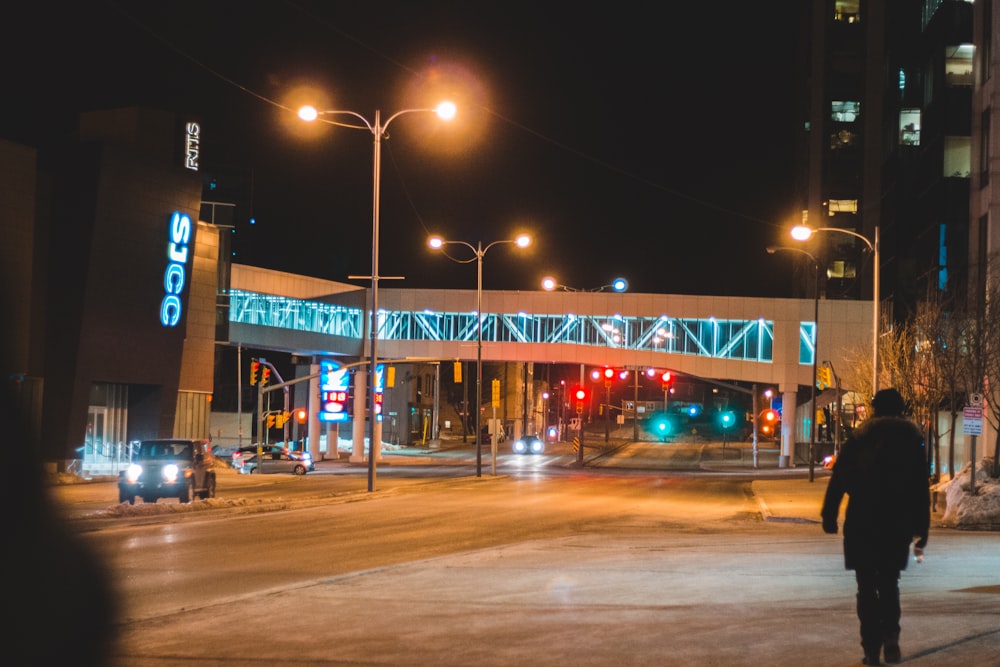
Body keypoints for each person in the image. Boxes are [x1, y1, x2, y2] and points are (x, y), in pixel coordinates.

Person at [821, 388, 930, 665]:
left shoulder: (860, 439)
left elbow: (839, 479)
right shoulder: (913, 441)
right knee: (890, 582)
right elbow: (920, 489)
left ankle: (871, 648)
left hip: (862, 521)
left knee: (866, 586)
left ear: (875, 409)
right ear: (901, 408)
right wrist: (922, 528)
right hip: (897, 523)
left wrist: (829, 514)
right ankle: (891, 635)